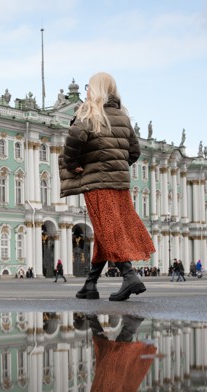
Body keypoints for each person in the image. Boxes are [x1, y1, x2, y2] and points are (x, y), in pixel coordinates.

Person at [60, 72, 154, 301]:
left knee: (107, 229)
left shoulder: (90, 113)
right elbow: (134, 151)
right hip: (120, 183)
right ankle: (90, 284)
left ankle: (129, 274)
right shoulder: (122, 116)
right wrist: (118, 166)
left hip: (97, 183)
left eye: (88, 88)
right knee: (105, 230)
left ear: (96, 89)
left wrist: (73, 166)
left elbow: (73, 140)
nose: (86, 92)